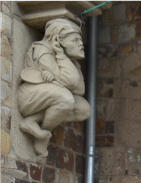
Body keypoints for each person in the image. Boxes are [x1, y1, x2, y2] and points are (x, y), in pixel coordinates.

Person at [18, 18, 90, 157]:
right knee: (65, 98)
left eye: (80, 40)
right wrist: (61, 57)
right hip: (28, 97)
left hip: (48, 95)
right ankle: (41, 134)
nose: (81, 44)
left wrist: (61, 57)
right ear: (58, 39)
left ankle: (38, 127)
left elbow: (80, 89)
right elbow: (69, 82)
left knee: (84, 108)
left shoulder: (69, 59)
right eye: (75, 40)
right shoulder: (42, 50)